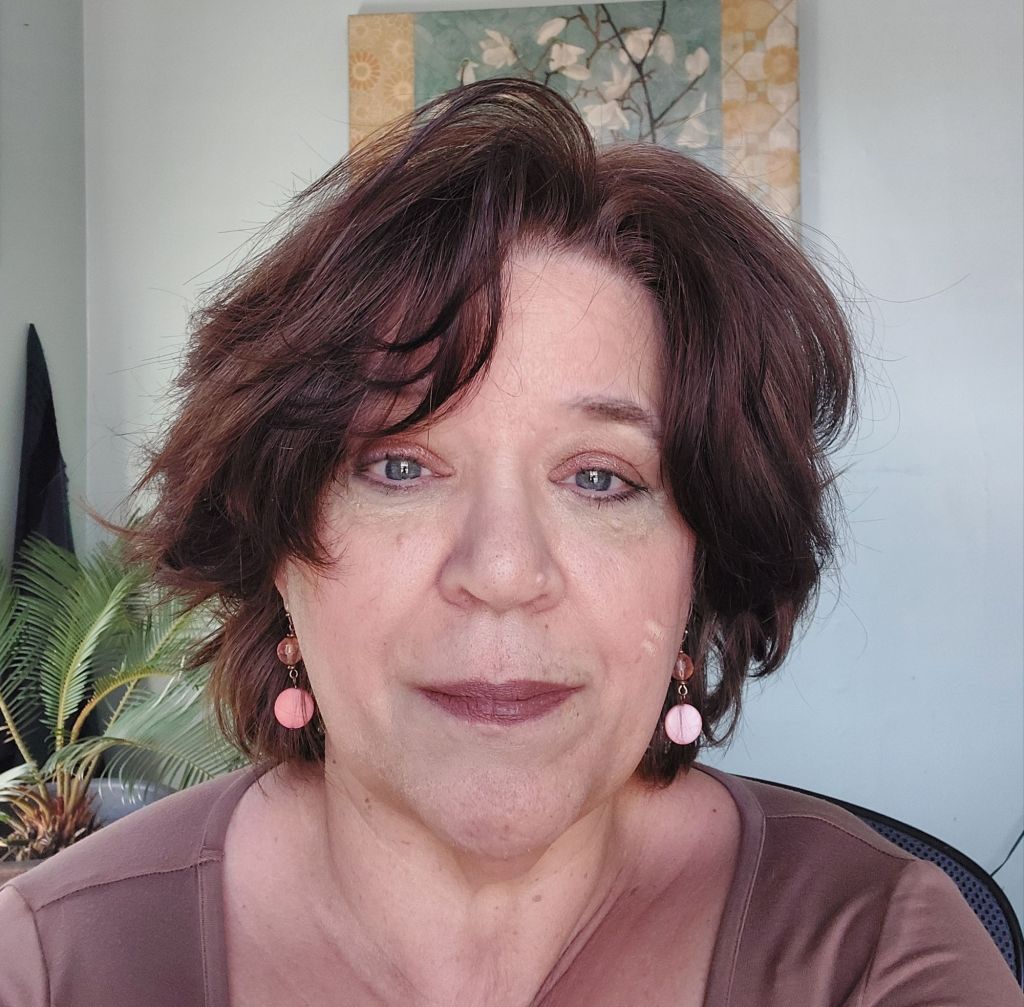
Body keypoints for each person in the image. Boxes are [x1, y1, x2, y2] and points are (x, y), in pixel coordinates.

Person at [0, 79, 1019, 1007]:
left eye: (600, 478)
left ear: (699, 564)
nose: (501, 571)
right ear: (275, 541)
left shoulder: (880, 956)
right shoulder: (47, 961)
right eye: (399, 466)